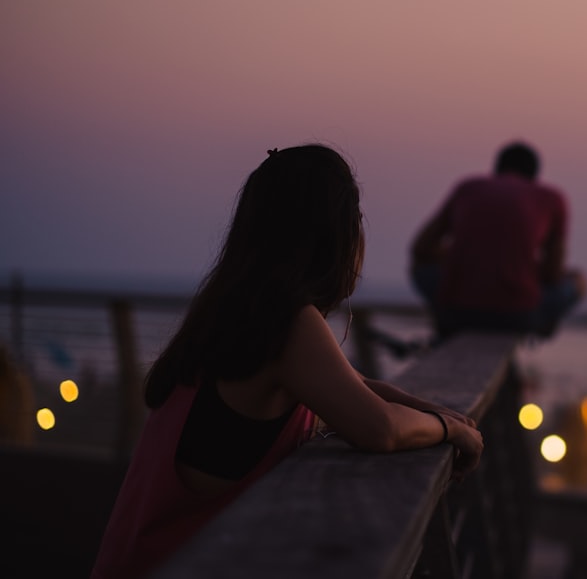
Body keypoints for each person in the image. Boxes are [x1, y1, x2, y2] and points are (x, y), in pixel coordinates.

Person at [92, 145, 482, 579]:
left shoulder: (238, 309)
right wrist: (450, 433)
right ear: (334, 236)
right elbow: (380, 428)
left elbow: (354, 384)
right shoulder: (288, 323)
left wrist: (434, 412)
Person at [410, 141, 587, 338]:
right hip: (517, 316)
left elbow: (421, 248)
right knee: (579, 281)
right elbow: (553, 274)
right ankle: (544, 325)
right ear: (535, 176)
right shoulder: (552, 198)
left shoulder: (467, 188)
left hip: (454, 312)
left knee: (419, 267)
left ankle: (442, 320)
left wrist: (460, 258)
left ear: (496, 169)